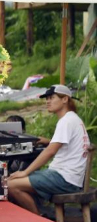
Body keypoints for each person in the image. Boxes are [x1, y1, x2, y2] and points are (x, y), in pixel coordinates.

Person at [7, 85, 90, 214]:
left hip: (64, 179)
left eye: (52, 98)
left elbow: (50, 151)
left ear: (65, 99)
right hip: (68, 176)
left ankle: (38, 220)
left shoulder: (66, 121)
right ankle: (37, 215)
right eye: (47, 99)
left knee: (9, 184)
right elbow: (61, 144)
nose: (48, 101)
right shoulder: (72, 118)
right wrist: (48, 141)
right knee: (15, 181)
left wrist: (25, 172)